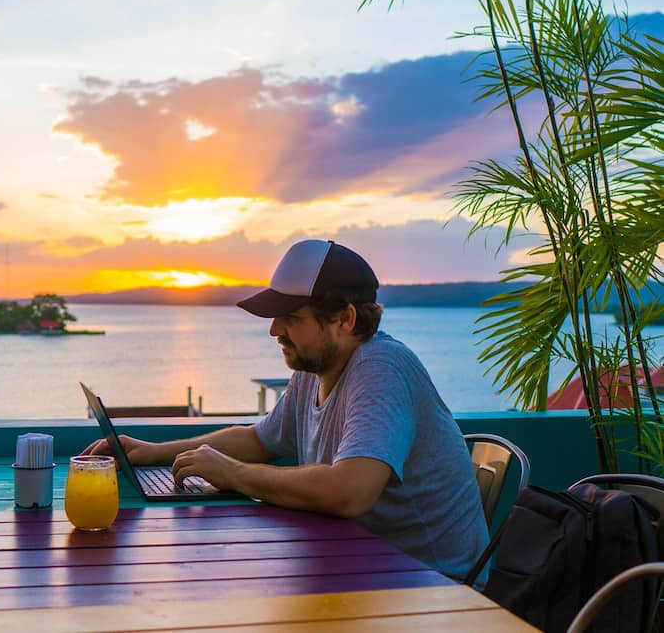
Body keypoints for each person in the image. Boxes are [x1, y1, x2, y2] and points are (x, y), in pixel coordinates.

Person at [82, 238, 489, 582]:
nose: (274, 330)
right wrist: (153, 451)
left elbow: (350, 492)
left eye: (291, 317)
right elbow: (258, 439)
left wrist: (235, 475)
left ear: (344, 319)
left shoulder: (380, 367)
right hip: (365, 567)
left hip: (432, 589)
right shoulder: (315, 367)